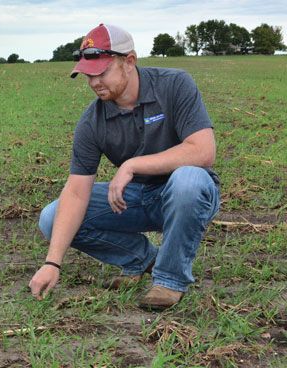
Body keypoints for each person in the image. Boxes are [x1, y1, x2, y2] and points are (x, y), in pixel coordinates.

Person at [28, 23, 220, 310]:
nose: (94, 83)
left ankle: (169, 280)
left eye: (102, 72)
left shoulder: (174, 84)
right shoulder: (92, 122)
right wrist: (52, 262)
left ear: (129, 61)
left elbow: (203, 151)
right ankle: (144, 259)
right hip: (134, 199)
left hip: (184, 194)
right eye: (88, 75)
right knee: (52, 218)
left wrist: (132, 165)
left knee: (188, 181)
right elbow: (77, 192)